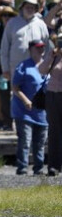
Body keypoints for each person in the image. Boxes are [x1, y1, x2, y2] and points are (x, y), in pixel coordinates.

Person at [0, 0, 50, 100]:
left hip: (36, 67)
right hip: (16, 66)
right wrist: (5, 68)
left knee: (36, 94)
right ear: (22, 7)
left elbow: (47, 47)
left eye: (32, 7)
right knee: (16, 94)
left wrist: (46, 66)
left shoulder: (41, 25)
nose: (29, 9)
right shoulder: (12, 23)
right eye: (27, 6)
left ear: (36, 9)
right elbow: (4, 47)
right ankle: (17, 116)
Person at [12, 40, 49, 175]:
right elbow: (15, 87)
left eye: (42, 47)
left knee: (40, 143)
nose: (40, 50)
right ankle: (22, 167)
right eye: (37, 48)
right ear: (30, 49)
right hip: (24, 111)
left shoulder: (48, 65)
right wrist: (25, 100)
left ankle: (38, 168)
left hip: (43, 112)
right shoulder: (23, 66)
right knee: (25, 141)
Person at [41, 36, 62, 176]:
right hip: (53, 94)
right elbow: (42, 70)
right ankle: (53, 165)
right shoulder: (54, 56)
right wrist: (50, 57)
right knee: (54, 131)